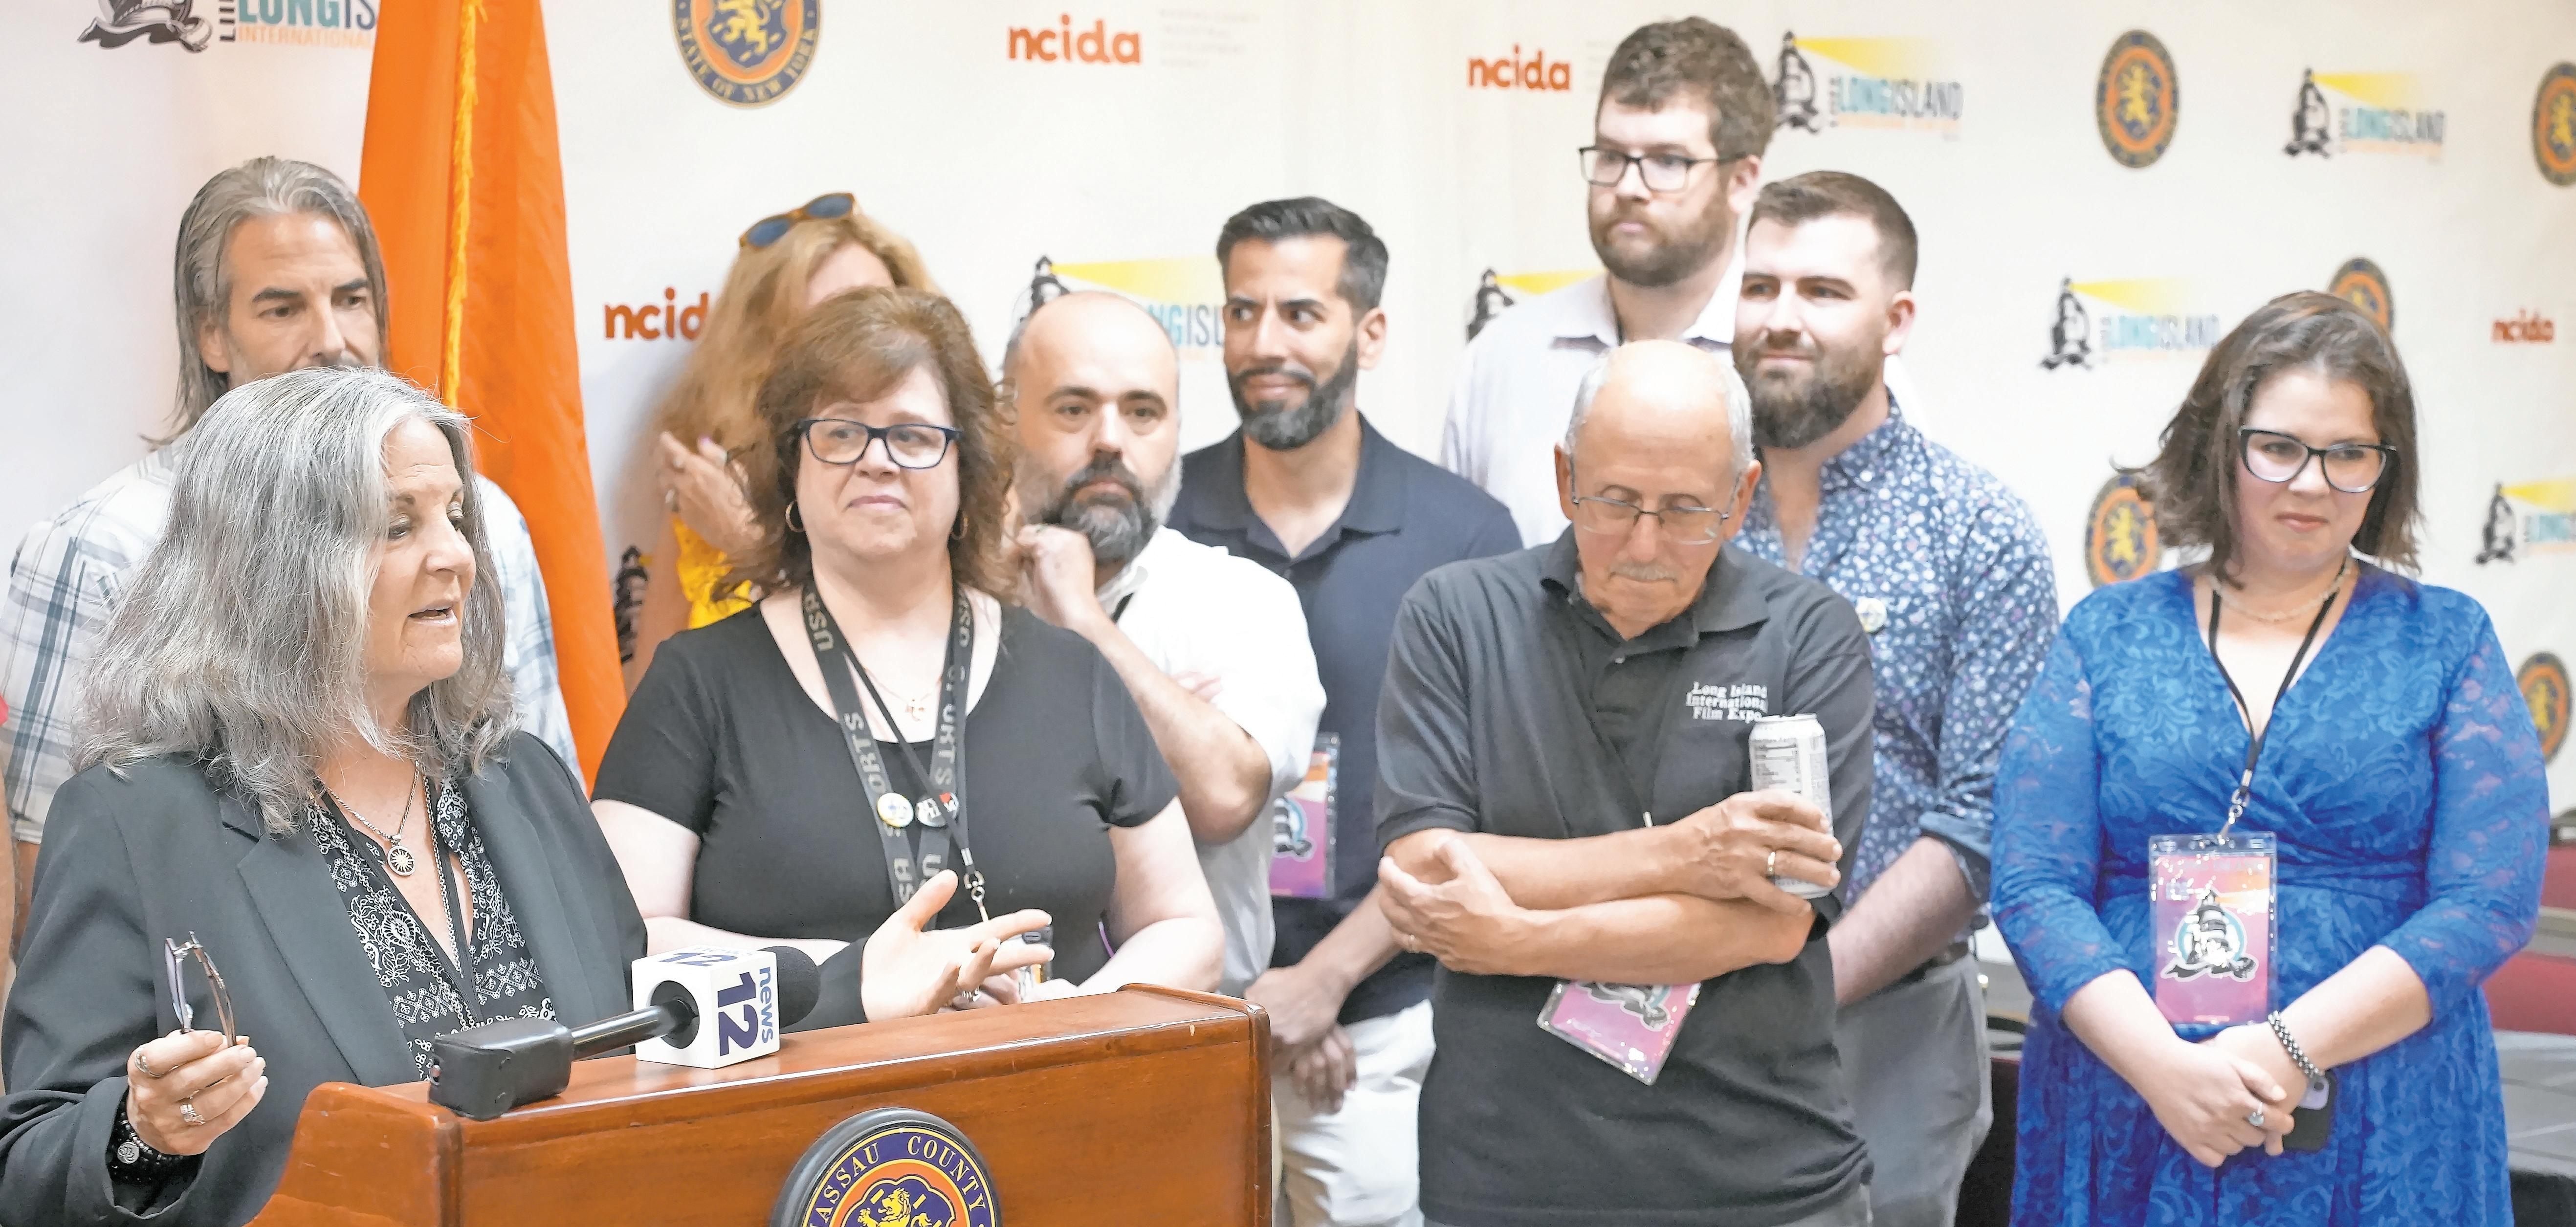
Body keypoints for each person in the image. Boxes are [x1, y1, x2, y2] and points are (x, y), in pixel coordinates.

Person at [0, 367, 643, 1227]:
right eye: (397, 525)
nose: (455, 554)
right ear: (275, 567)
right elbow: (29, 1170)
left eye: (455, 516)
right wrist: (142, 1135)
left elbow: (642, 1056)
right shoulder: (134, 822)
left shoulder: (523, 777)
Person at [1991, 292, 2550, 1225]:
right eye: (2277, 447)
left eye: (2347, 455)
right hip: (2129, 1101)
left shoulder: (2446, 641)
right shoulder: (2105, 634)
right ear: (2220, 446)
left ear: (2383, 469)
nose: (2310, 484)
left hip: (2381, 1111)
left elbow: (2485, 902)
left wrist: (2284, 1049)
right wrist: (2166, 1070)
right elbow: (2031, 885)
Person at [593, 287, 1222, 1028]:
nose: (876, 461)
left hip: (1052, 1082)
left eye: (913, 436)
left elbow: (1187, 926)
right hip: (802, 1096)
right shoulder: (697, 684)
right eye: (840, 433)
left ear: (969, 469)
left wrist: (1075, 1016)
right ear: (791, 469)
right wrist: (850, 979)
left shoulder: (1073, 674)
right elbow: (622, 939)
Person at [0, 157, 577, 945]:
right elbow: (53, 891)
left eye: (352, 300)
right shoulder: (100, 546)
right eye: (283, 309)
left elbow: (541, 803)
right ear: (210, 333)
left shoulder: (485, 520)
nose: (332, 341)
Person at [1377, 341, 1874, 1227]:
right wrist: (1688, 854)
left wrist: (1514, 939)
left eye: (1684, 511)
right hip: (1506, 1172)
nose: (1643, 545)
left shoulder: (1809, 635)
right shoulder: (1457, 614)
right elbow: (1426, 864)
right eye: (1613, 502)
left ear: (1741, 498)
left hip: (1757, 1173)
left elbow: (1772, 924)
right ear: (1564, 477)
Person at [1171, 197, 1521, 1227]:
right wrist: (1250, 999)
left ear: (1368, 332)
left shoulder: (1464, 539)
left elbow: (1489, 807)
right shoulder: (1159, 521)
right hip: (1180, 1016)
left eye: (1299, 314)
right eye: (1241, 312)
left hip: (1385, 1026)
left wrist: (1323, 980)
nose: (1262, 344)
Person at [1729, 172, 2057, 1227]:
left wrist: (1804, 989)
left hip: (1891, 1025)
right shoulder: (1680, 517)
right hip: (1672, 1010)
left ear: (1896, 320)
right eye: (1760, 286)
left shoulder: (1977, 533)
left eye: (1823, 290)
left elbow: (1981, 823)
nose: (1781, 317)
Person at [1004, 289, 1324, 999]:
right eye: (1073, 409)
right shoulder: (953, 604)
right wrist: (1168, 713)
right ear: (1006, 423)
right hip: (992, 1029)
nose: (1109, 441)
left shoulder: (1242, 600)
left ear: (1176, 428)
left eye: (1142, 412)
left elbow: (1222, 794)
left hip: (1196, 1025)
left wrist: (1083, 620)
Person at [1442, 17, 1771, 547]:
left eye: (1668, 161)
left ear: (1741, 181)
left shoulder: (1795, 362)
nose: (1628, 187)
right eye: (1612, 156)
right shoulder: (1505, 355)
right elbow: (1460, 572)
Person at [630, 192, 939, 684]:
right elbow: (652, 704)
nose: (864, 351)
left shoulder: (949, 477)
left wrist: (747, 544)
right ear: (764, 358)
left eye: (880, 318)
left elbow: (909, 683)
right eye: (826, 331)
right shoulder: (713, 495)